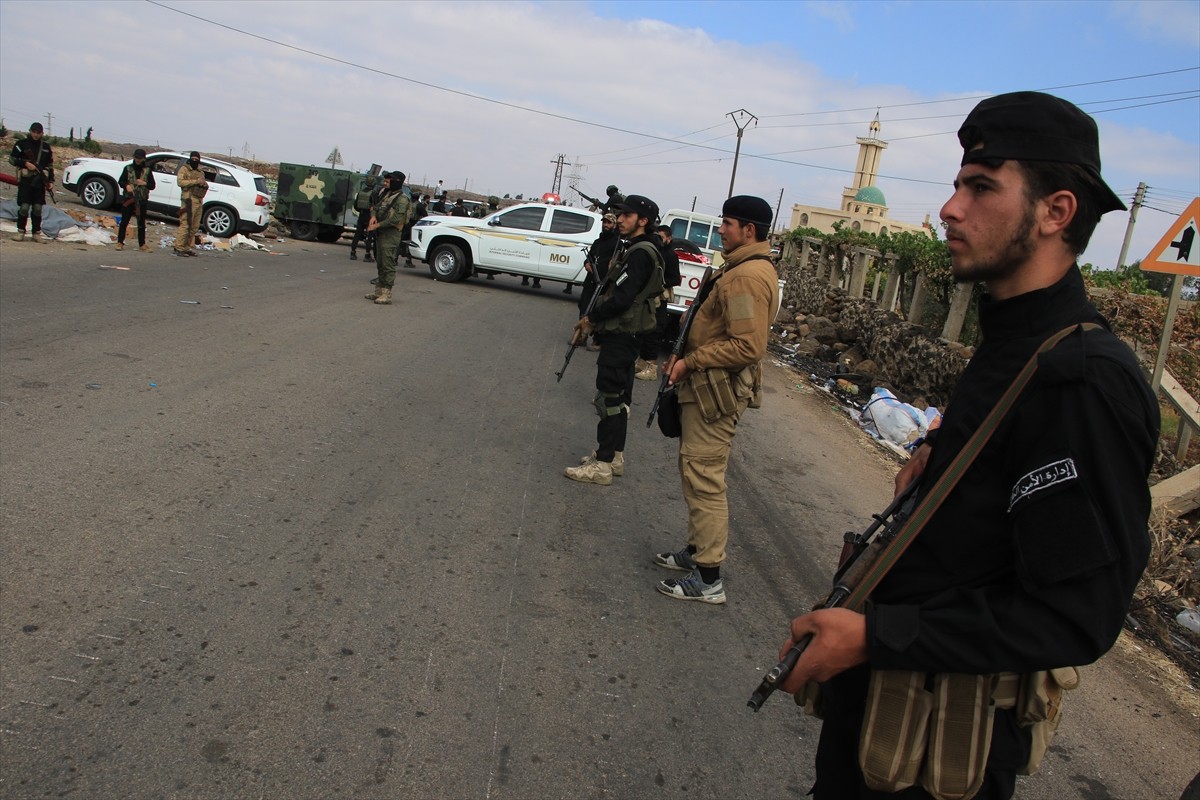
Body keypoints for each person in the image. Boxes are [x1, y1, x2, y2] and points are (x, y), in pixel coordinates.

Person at [775, 92, 1160, 799]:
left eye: (981, 187)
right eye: (957, 185)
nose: (951, 208)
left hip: (937, 754)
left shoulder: (1083, 382)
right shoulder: (1012, 341)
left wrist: (876, 637)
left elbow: (1076, 616)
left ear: (1056, 211)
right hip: (880, 733)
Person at [653, 196, 779, 603]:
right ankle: (695, 553)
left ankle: (709, 580)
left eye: (727, 223)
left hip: (715, 393)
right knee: (695, 470)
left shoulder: (746, 276)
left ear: (749, 231)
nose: (720, 230)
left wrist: (692, 361)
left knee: (704, 478)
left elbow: (747, 345)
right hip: (707, 389)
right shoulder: (741, 267)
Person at [564, 195, 665, 486]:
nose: (619, 219)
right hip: (626, 334)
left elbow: (621, 298)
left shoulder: (641, 253)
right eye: (619, 214)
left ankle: (603, 465)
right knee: (618, 400)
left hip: (622, 334)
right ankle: (614, 456)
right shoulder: (638, 248)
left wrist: (590, 319)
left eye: (627, 215)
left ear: (643, 221)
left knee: (609, 399)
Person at [635, 224, 683, 380]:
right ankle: (642, 362)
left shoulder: (670, 255)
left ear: (669, 239)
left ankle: (652, 368)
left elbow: (675, 279)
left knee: (654, 332)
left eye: (661, 237)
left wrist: (658, 282)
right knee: (643, 330)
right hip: (648, 297)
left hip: (659, 298)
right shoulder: (654, 251)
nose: (658, 240)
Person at [365, 171, 412, 305]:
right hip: (381, 234)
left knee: (388, 264)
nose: (385, 184)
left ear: (396, 182)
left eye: (388, 181)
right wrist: (373, 216)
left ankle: (387, 294)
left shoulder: (402, 199)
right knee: (380, 262)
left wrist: (377, 225)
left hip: (391, 236)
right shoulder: (386, 195)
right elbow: (375, 207)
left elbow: (396, 219)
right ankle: (378, 291)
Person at [9, 122, 54, 243]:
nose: (35, 134)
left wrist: (50, 180)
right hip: (26, 180)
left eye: (38, 132)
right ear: (30, 131)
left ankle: (36, 233)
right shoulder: (21, 144)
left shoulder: (46, 147)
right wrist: (25, 164)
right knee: (24, 207)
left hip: (39, 181)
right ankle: (20, 232)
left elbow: (50, 165)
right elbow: (12, 159)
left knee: (37, 208)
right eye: (34, 132)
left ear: (42, 133)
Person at [580, 212, 620, 351]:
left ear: (614, 225)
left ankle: (597, 340)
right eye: (604, 222)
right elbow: (590, 257)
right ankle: (581, 336)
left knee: (599, 310)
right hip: (591, 280)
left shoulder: (617, 244)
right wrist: (587, 263)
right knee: (584, 306)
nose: (606, 225)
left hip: (604, 282)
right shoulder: (598, 241)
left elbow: (617, 263)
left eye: (609, 223)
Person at [116, 149, 156, 252]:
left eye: (139, 158)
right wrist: (126, 186)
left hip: (141, 200)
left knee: (141, 223)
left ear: (143, 159)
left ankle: (142, 244)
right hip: (129, 199)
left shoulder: (147, 171)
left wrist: (144, 183)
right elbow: (121, 181)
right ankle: (120, 242)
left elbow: (152, 186)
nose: (137, 160)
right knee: (124, 221)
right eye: (136, 158)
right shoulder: (128, 168)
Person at [173, 151, 208, 256]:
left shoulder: (200, 172)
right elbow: (180, 182)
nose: (194, 161)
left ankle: (186, 247)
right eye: (193, 159)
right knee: (186, 224)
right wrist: (195, 181)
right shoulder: (184, 169)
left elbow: (201, 184)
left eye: (196, 159)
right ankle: (179, 247)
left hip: (198, 200)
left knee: (194, 226)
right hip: (188, 200)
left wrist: (203, 184)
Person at [349, 174, 377, 261]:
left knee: (357, 234)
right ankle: (367, 255)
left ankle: (353, 252)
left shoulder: (360, 192)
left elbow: (356, 206)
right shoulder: (374, 193)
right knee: (370, 236)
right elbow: (376, 205)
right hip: (370, 216)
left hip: (361, 215)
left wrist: (361, 211)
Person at [404, 194, 428, 267]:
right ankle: (408, 260)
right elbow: (425, 215)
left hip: (405, 224)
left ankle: (395, 259)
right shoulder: (419, 205)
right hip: (414, 224)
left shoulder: (408, 204)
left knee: (402, 241)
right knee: (411, 242)